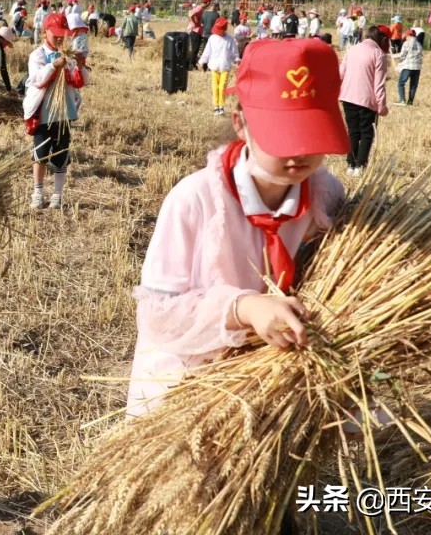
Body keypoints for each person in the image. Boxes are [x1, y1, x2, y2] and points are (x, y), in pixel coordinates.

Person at [126, 36, 348, 424]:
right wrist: (243, 308)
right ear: (240, 123)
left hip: (272, 386)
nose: (299, 152)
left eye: (310, 133)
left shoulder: (326, 195)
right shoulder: (194, 199)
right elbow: (157, 315)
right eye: (284, 135)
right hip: (189, 387)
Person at [23, 13, 90, 210]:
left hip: (64, 113)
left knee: (61, 155)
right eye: (56, 34)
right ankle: (38, 191)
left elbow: (82, 82)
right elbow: (37, 80)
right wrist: (53, 66)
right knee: (40, 155)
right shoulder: (37, 56)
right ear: (45, 33)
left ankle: (58, 194)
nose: (61, 38)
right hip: (43, 114)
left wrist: (80, 64)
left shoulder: (68, 56)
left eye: (64, 35)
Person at [339, 25, 390, 176]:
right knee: (367, 133)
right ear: (382, 39)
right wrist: (382, 106)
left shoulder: (353, 49)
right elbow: (378, 85)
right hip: (366, 99)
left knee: (353, 132)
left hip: (347, 97)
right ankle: (360, 165)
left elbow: (341, 72)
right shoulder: (378, 54)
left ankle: (351, 164)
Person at [198, 17, 240, 116]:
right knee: (215, 87)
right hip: (214, 67)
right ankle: (216, 106)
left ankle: (221, 106)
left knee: (222, 87)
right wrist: (202, 61)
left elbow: (234, 53)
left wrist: (237, 60)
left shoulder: (230, 40)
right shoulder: (212, 38)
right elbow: (207, 52)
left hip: (225, 66)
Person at [393, 28, 423, 106]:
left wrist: (393, 56)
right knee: (413, 85)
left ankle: (402, 100)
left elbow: (402, 55)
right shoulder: (419, 44)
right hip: (417, 67)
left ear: (409, 35)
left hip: (408, 67)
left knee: (401, 83)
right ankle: (410, 101)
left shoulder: (406, 43)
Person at [188, 0, 211, 69]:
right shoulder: (200, 8)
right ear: (208, 2)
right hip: (195, 31)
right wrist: (194, 22)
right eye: (210, 2)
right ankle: (191, 65)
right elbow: (190, 14)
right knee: (195, 49)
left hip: (197, 31)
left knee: (196, 49)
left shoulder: (201, 8)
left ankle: (193, 64)